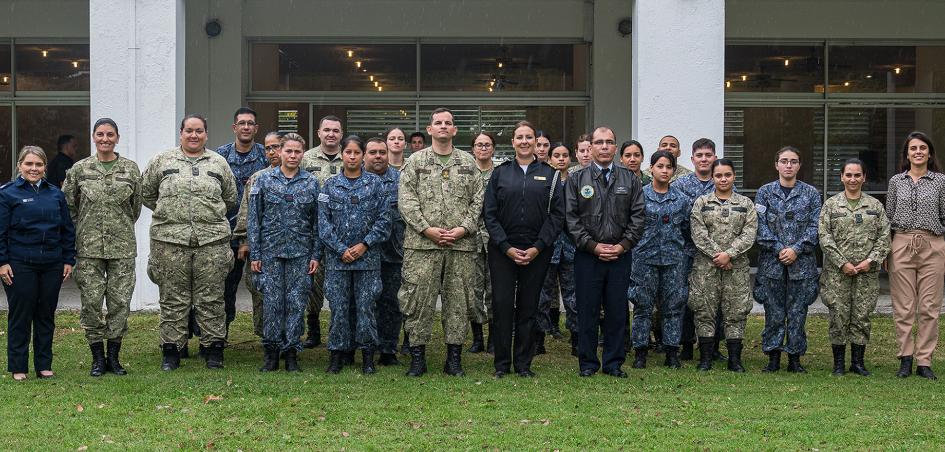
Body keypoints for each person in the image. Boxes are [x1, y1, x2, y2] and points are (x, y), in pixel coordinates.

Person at [142, 114, 237, 371]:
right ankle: (172, 350)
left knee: (212, 298)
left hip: (212, 242)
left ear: (206, 134)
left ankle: (213, 348)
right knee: (173, 298)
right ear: (181, 133)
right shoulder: (162, 161)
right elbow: (148, 194)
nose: (193, 135)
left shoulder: (218, 163)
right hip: (169, 242)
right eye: (189, 131)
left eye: (199, 131)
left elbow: (229, 198)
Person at [398, 107, 484, 377]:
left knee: (458, 302)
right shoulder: (415, 162)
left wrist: (463, 229)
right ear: (430, 129)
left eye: (448, 123)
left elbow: (478, 201)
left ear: (455, 130)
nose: (444, 126)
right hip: (422, 246)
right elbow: (406, 200)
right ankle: (417, 358)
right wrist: (426, 229)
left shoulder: (469, 163)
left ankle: (454, 359)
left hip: (460, 246)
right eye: (438, 123)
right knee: (418, 301)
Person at [62, 118, 142, 377]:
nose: (105, 139)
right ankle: (97, 358)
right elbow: (68, 205)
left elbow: (135, 208)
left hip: (122, 248)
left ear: (117, 138)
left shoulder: (130, 169)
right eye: (100, 134)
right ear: (93, 137)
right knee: (92, 303)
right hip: (88, 248)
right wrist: (81, 230)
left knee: (120, 302)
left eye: (110, 134)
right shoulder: (80, 169)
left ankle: (114, 358)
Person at [483, 121, 564, 377]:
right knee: (502, 305)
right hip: (502, 252)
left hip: (536, 253)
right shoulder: (500, 173)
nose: (525, 141)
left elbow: (557, 216)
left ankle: (523, 364)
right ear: (513, 142)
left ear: (536, 142)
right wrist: (505, 247)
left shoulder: (550, 175)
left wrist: (538, 247)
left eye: (529, 137)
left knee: (529, 308)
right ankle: (501, 364)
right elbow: (490, 214)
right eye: (520, 137)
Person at [566, 126, 644, 378]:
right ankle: (587, 363)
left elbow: (638, 216)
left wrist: (622, 246)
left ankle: (613, 363)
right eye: (598, 142)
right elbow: (570, 219)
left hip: (620, 256)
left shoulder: (629, 178)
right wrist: (594, 246)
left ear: (615, 147)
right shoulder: (577, 179)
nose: (604, 147)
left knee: (616, 310)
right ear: (590, 147)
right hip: (588, 256)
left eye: (609, 142)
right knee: (586, 310)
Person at [0, 146, 75, 381]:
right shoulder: (7, 194)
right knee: (21, 315)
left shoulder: (55, 194)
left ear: (45, 167)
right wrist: (2, 262)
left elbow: (67, 229)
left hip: (52, 263)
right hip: (20, 263)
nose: (34, 169)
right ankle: (18, 367)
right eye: (29, 164)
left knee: (45, 314)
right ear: (20, 166)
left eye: (39, 164)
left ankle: (44, 365)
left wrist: (68, 260)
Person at [248, 132, 320, 372]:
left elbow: (317, 224)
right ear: (279, 152)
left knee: (296, 303)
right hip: (271, 252)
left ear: (303, 154)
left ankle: (291, 353)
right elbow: (254, 220)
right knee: (272, 303)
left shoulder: (311, 182)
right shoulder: (264, 180)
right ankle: (271, 352)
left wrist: (315, 255)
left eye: (297, 151)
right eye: (288, 151)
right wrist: (255, 255)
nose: (292, 155)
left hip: (300, 253)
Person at [319, 135, 391, 374]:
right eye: (348, 152)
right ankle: (337, 355)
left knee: (366, 308)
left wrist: (364, 245)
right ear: (342, 154)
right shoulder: (329, 185)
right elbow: (323, 224)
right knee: (338, 308)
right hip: (337, 261)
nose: (352, 157)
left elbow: (384, 220)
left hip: (367, 260)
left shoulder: (375, 184)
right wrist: (341, 249)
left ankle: (368, 355)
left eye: (356, 153)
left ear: (362, 156)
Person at [819, 158, 890, 377]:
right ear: (841, 177)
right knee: (838, 316)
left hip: (866, 273)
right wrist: (843, 263)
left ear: (864, 178)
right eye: (848, 175)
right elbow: (824, 236)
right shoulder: (831, 205)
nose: (852, 179)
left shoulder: (875, 206)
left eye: (857, 175)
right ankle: (838, 363)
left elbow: (885, 237)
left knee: (861, 316)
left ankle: (857, 363)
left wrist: (870, 261)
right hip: (837, 274)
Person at [754, 146, 821, 373]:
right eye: (784, 161)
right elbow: (759, 226)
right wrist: (779, 249)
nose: (788, 165)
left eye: (793, 161)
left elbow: (815, 227)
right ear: (777, 165)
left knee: (797, 312)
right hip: (772, 264)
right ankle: (773, 356)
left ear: (799, 165)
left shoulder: (811, 193)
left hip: (801, 265)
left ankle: (794, 357)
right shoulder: (765, 192)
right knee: (773, 312)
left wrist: (796, 249)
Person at [885, 131, 945, 380]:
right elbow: (887, 217)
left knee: (930, 307)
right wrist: (887, 251)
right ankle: (905, 358)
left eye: (922, 148)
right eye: (913, 148)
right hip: (901, 242)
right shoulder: (896, 181)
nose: (918, 152)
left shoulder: (941, 181)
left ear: (929, 153)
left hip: (932, 243)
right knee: (904, 306)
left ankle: (924, 360)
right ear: (907, 154)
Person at [688, 159, 757, 372]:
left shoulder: (745, 204)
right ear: (712, 177)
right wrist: (718, 256)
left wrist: (729, 254)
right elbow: (698, 234)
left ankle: (734, 360)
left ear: (734, 176)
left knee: (736, 311)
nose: (723, 179)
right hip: (706, 268)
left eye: (727, 175)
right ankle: (706, 358)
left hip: (736, 268)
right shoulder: (701, 203)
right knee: (704, 310)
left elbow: (750, 233)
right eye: (718, 175)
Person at [628, 151, 691, 369]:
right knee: (642, 307)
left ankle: (672, 352)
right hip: (644, 260)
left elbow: (687, 230)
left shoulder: (682, 200)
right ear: (651, 168)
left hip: (674, 261)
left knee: (673, 307)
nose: (665, 171)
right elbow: (631, 228)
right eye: (660, 166)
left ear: (674, 170)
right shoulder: (639, 196)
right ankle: (640, 352)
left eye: (669, 167)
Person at [215, 107, 268, 339]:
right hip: (227, 233)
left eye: (250, 123)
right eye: (242, 123)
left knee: (260, 287)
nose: (246, 127)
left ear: (256, 128)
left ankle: (267, 336)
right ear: (234, 127)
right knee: (225, 287)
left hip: (259, 235)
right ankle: (220, 334)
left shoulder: (266, 155)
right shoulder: (221, 156)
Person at [673, 139, 725, 361]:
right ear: (692, 158)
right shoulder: (680, 185)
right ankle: (685, 343)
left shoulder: (722, 183)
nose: (704, 159)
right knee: (685, 298)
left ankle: (713, 345)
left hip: (716, 253)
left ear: (714, 157)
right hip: (687, 251)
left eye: (708, 155)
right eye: (700, 155)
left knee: (717, 299)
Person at [300, 115, 345, 348]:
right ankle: (313, 329)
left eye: (335, 131)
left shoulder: (349, 157)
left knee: (338, 285)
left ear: (341, 134)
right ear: (318, 133)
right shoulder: (306, 159)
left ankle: (340, 330)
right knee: (313, 283)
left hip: (342, 233)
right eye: (326, 130)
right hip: (312, 231)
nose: (331, 134)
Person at [234, 131, 283, 338]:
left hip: (293, 247)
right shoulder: (257, 179)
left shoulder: (303, 177)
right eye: (268, 148)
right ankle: (266, 338)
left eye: (277, 146)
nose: (272, 152)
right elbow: (246, 211)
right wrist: (245, 241)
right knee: (260, 290)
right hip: (262, 247)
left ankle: (287, 338)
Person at [364, 137, 405, 366]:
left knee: (391, 302)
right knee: (362, 302)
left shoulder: (400, 180)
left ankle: (388, 349)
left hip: (393, 253)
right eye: (373, 152)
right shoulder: (355, 179)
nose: (378, 156)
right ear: (364, 155)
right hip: (362, 254)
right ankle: (361, 346)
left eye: (382, 152)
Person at [538, 143, 579, 355]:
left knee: (573, 296)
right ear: (550, 159)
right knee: (543, 295)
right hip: (548, 246)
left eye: (565, 155)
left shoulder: (576, 182)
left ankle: (576, 339)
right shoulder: (544, 181)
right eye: (557, 155)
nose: (561, 159)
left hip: (571, 247)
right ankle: (539, 339)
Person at [468, 131, 497, 354]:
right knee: (473, 289)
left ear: (493, 149)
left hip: (495, 238)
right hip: (471, 239)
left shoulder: (501, 174)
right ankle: (477, 337)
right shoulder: (467, 172)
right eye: (479, 145)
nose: (483, 148)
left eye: (487, 145)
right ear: (473, 149)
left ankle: (494, 338)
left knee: (495, 289)